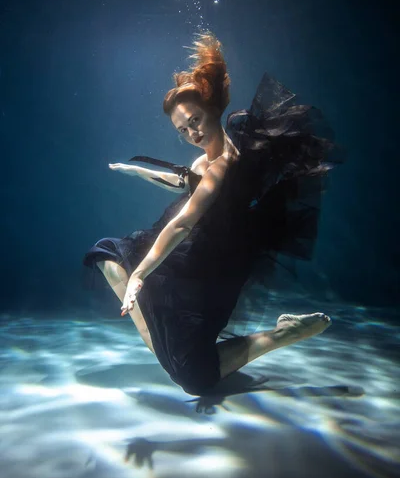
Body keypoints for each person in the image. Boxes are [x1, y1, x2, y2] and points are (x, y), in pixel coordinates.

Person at [83, 33, 340, 396]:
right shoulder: (208, 160)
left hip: (209, 263)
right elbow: (183, 181)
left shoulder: (223, 164)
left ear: (211, 108)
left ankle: (284, 333)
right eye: (183, 130)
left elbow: (186, 221)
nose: (192, 133)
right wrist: (136, 171)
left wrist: (140, 274)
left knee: (194, 378)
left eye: (195, 120)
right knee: (108, 257)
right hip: (199, 251)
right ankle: (175, 355)